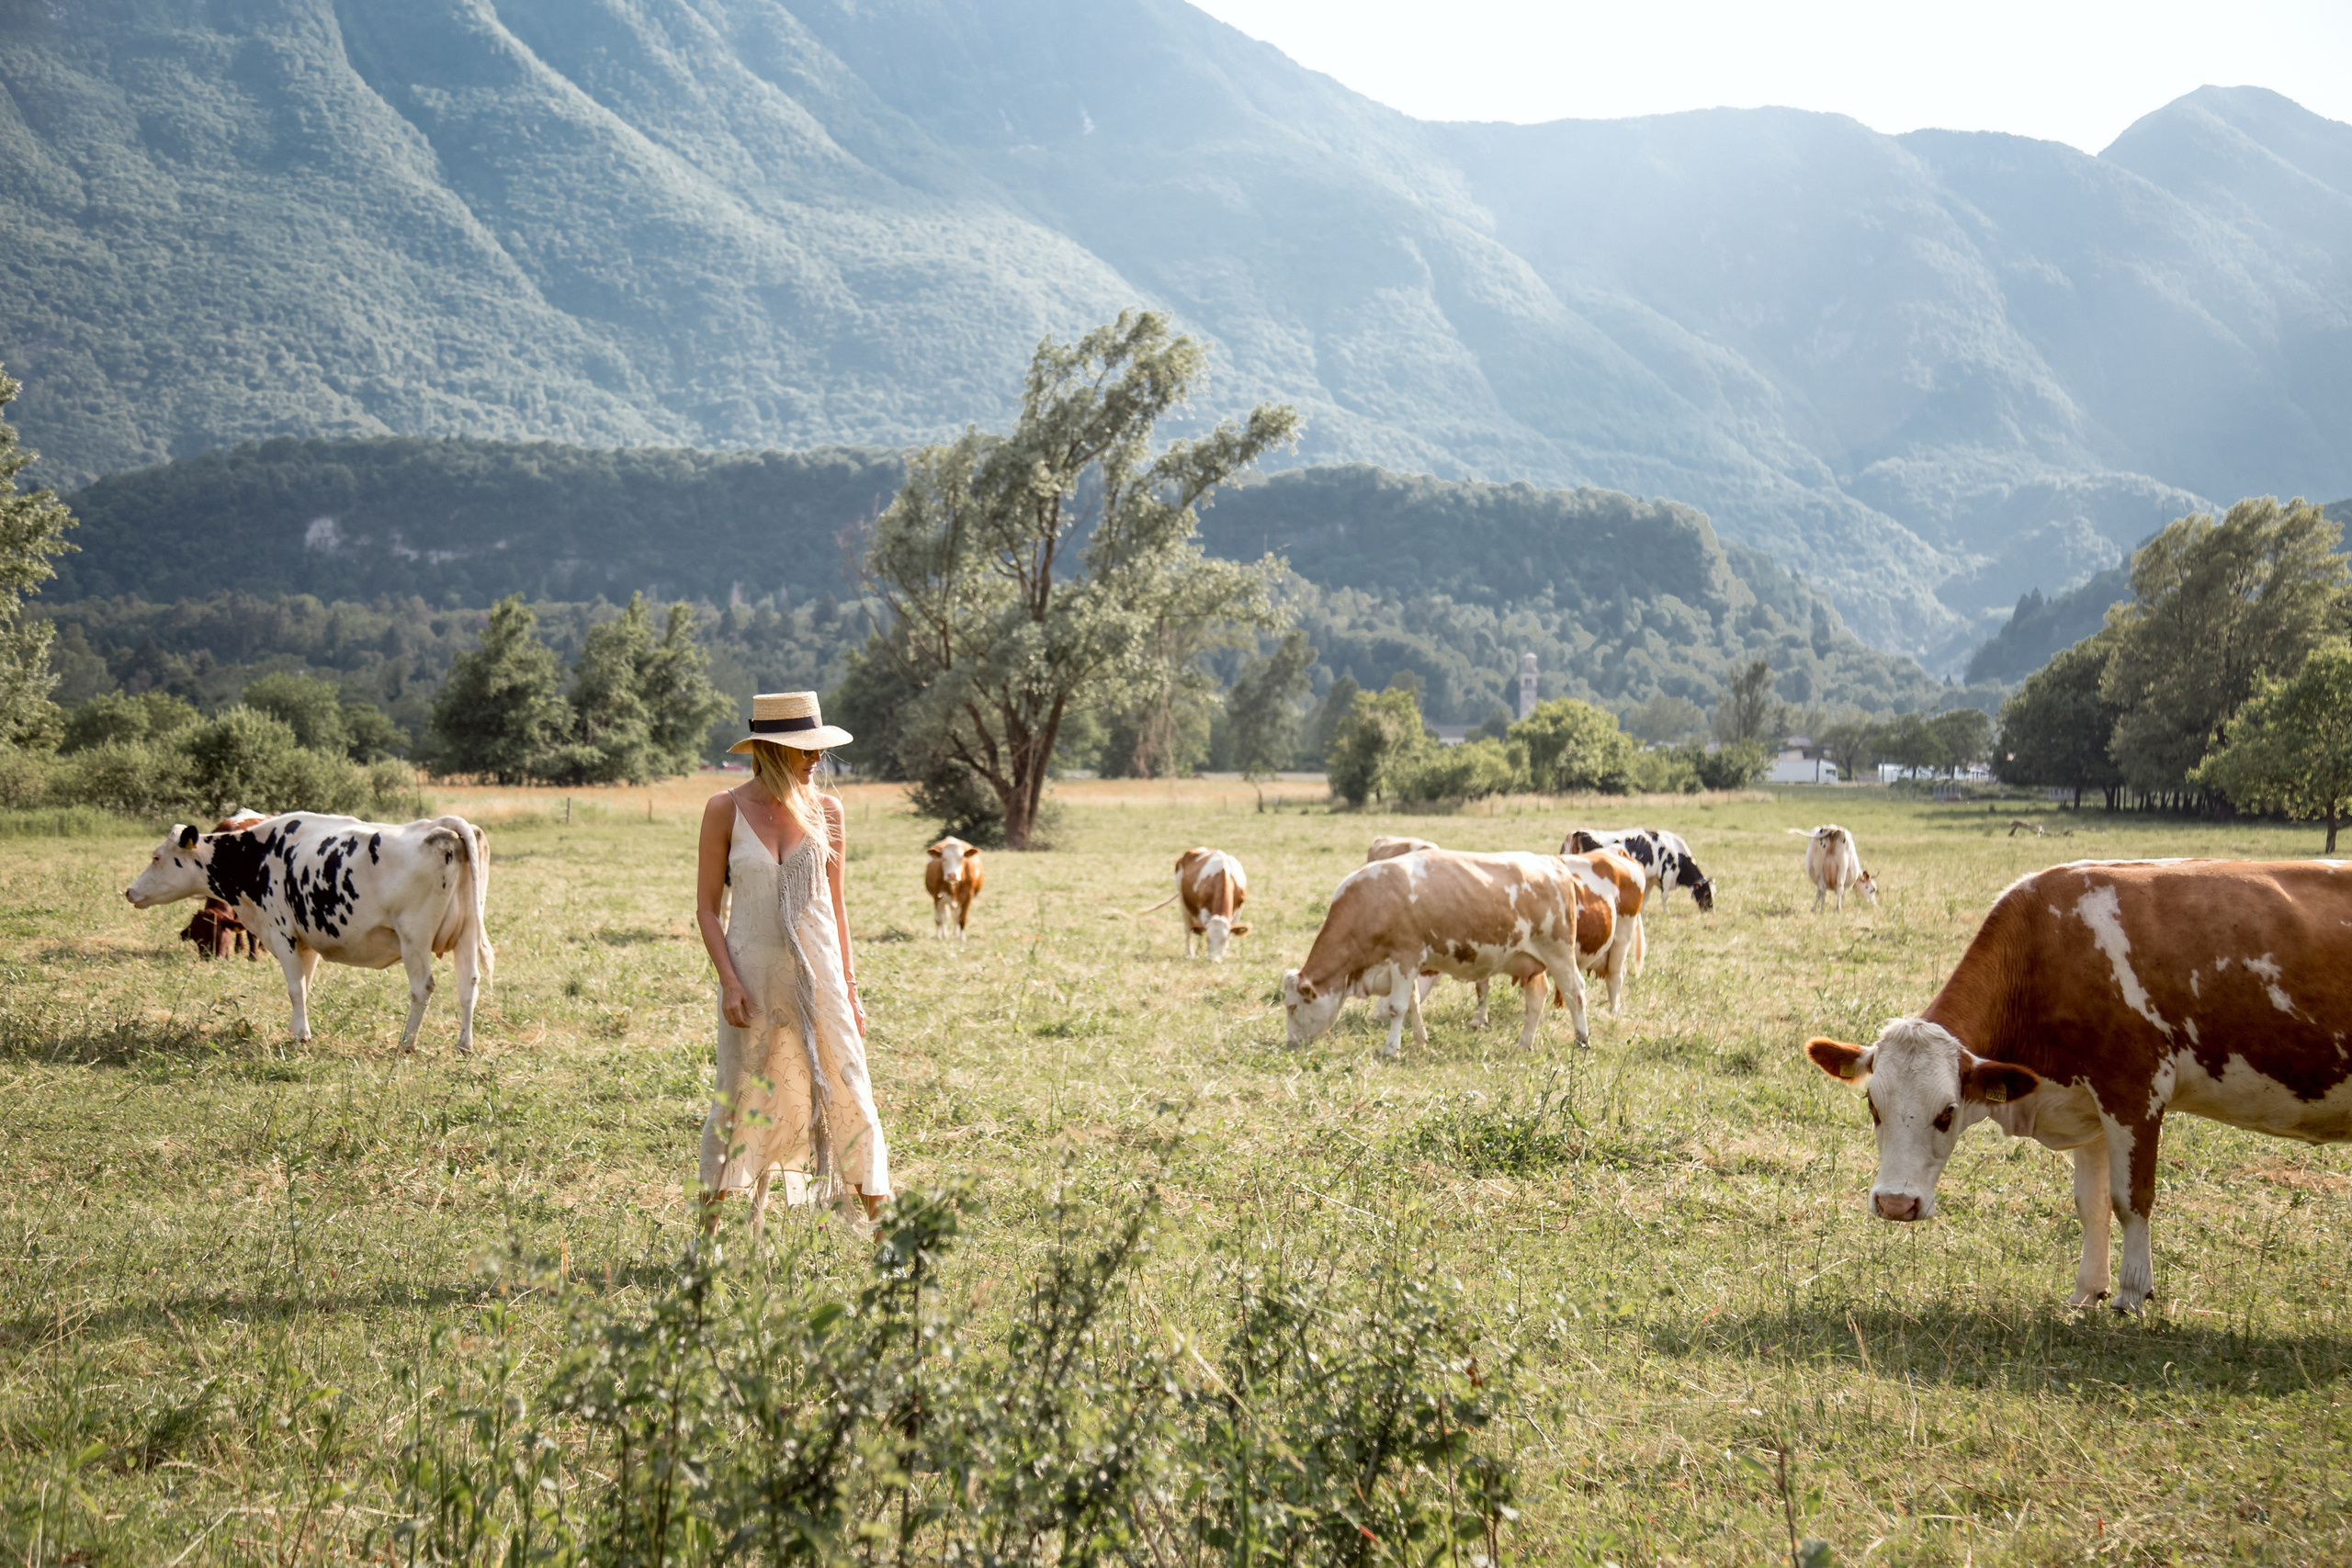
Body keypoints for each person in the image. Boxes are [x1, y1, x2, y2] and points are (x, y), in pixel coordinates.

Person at [695, 691, 889, 1236]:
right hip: (751, 981)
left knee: (850, 1089)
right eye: (805, 750)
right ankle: (703, 1244)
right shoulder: (724, 809)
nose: (816, 760)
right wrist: (728, 982)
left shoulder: (828, 811)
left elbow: (837, 904)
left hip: (820, 978)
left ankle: (887, 1243)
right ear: (773, 750)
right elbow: (708, 910)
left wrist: (850, 988)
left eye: (817, 749)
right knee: (740, 1095)